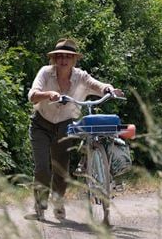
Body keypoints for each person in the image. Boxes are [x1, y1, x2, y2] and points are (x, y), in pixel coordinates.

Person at [25, 38, 124, 221]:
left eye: (68, 57)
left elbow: (97, 85)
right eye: (60, 56)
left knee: (61, 169)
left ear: (74, 60)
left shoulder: (81, 76)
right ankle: (39, 207)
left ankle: (58, 202)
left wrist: (109, 89)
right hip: (41, 124)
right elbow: (32, 95)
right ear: (54, 59)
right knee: (42, 168)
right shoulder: (46, 73)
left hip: (65, 125)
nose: (63, 60)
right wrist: (49, 94)